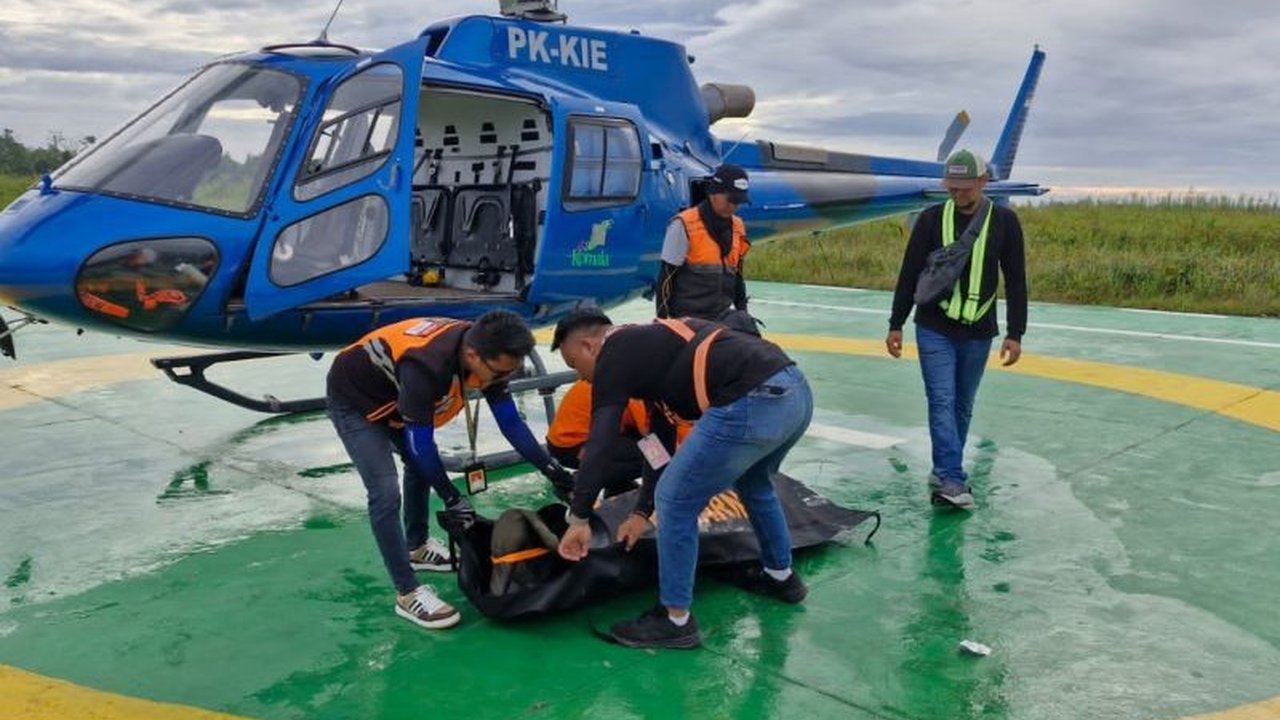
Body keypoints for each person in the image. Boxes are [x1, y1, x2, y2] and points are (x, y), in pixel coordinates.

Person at [552, 309, 813, 649]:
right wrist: (640, 512)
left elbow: (600, 440)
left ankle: (675, 620)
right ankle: (782, 578)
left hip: (753, 399)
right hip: (796, 393)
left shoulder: (614, 352)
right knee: (755, 484)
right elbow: (657, 446)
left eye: (575, 365)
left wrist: (580, 515)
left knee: (675, 502)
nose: (583, 378)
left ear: (589, 346)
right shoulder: (652, 351)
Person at [326, 309, 575, 630]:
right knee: (385, 491)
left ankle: (417, 546)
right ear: (472, 355)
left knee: (419, 468)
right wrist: (451, 497)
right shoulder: (426, 365)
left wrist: (553, 470)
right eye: (499, 374)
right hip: (356, 401)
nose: (501, 382)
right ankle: (407, 591)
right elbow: (421, 444)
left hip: (396, 394)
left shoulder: (487, 355)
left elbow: (511, 423)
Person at [885, 149, 1027, 509]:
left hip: (979, 331)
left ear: (983, 182)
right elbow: (909, 272)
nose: (958, 194)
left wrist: (1016, 332)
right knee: (942, 400)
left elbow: (1016, 279)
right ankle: (951, 478)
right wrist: (896, 323)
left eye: (965, 187)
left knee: (962, 405)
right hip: (934, 326)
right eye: (952, 187)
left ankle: (945, 468)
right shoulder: (932, 219)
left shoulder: (1006, 222)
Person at [655, 164, 752, 321]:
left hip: (721, 317)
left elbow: (738, 276)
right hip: (687, 319)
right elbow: (666, 279)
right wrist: (664, 323)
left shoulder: (738, 227)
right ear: (714, 193)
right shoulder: (683, 224)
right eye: (730, 200)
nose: (733, 206)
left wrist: (743, 313)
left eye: (738, 202)